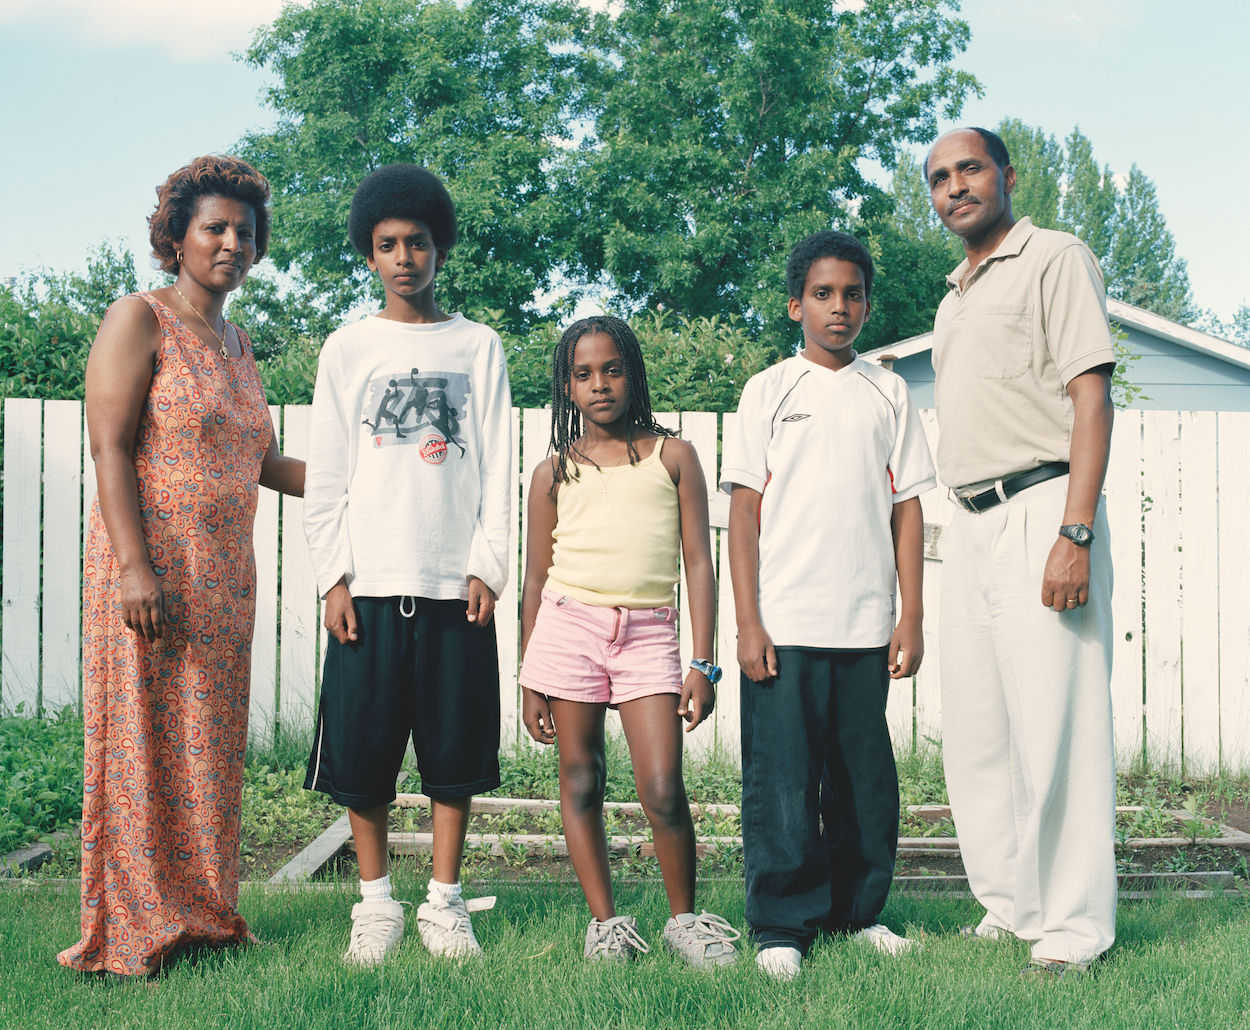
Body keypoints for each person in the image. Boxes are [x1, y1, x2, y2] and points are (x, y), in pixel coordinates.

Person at [58, 156, 306, 977]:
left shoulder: (237, 344)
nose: (233, 241)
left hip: (224, 580)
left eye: (245, 230)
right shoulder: (140, 318)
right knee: (142, 745)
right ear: (178, 235)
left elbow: (265, 461)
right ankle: (136, 923)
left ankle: (202, 911)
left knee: (207, 748)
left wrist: (374, 474)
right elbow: (110, 444)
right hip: (151, 572)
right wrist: (134, 567)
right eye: (215, 227)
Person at [302, 164, 512, 966]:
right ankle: (377, 904)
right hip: (371, 587)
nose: (402, 257)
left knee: (453, 757)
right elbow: (327, 477)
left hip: (454, 586)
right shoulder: (348, 347)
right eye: (386, 245)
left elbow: (495, 464)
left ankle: (445, 903)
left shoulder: (477, 345)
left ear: (439, 247)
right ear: (369, 254)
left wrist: (488, 566)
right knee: (363, 757)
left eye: (416, 242)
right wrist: (333, 577)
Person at [923, 126, 1117, 977]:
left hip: (1042, 507)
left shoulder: (1054, 257)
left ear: (1006, 175)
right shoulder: (953, 294)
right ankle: (1010, 906)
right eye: (939, 178)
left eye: (969, 169)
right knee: (978, 732)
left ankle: (1073, 929)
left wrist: (1074, 531)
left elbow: (1091, 397)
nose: (955, 186)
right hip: (965, 523)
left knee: (1057, 725)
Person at [723, 230, 935, 980]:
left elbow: (907, 506)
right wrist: (747, 622)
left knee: (862, 778)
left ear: (868, 305)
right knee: (781, 781)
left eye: (852, 294)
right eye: (822, 294)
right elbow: (743, 512)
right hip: (784, 623)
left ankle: (857, 914)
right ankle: (783, 923)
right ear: (795, 305)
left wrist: (909, 614)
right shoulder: (769, 390)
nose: (838, 307)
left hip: (864, 627)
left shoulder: (888, 391)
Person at [519, 316, 740, 968]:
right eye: (583, 374)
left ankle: (686, 921)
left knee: (663, 785)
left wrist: (703, 661)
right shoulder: (553, 472)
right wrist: (530, 673)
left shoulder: (673, 457)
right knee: (581, 777)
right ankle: (606, 924)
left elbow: (698, 562)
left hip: (646, 633)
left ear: (633, 373)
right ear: (566, 385)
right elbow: (536, 576)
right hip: (567, 629)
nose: (600, 384)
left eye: (611, 369)